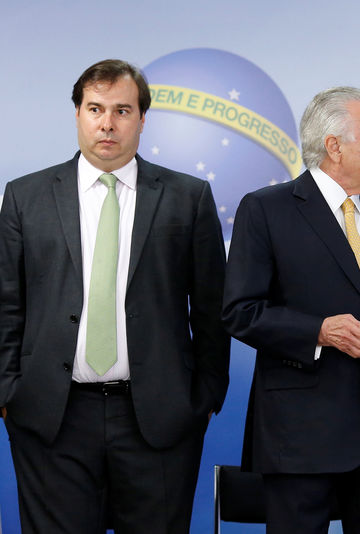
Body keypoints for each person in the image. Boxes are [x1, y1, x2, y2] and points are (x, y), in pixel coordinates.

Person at [0, 59, 230, 533]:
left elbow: (212, 310)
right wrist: (10, 394)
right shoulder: (25, 197)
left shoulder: (188, 198)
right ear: (78, 114)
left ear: (142, 118)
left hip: (159, 420)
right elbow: (7, 304)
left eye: (122, 110)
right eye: (95, 108)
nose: (108, 123)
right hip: (51, 419)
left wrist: (203, 399)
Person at [222, 86, 360, 534]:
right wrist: (319, 331)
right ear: (334, 146)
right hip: (298, 441)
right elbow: (240, 310)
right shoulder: (266, 210)